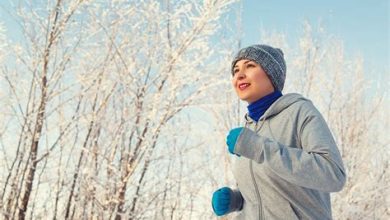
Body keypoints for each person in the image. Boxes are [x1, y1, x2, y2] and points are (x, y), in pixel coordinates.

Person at [211, 45, 346, 220]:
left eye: (250, 66)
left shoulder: (299, 111)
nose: (239, 74)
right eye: (236, 70)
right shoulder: (247, 130)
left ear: (271, 73)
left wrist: (259, 148)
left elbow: (333, 174)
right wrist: (236, 199)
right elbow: (268, 192)